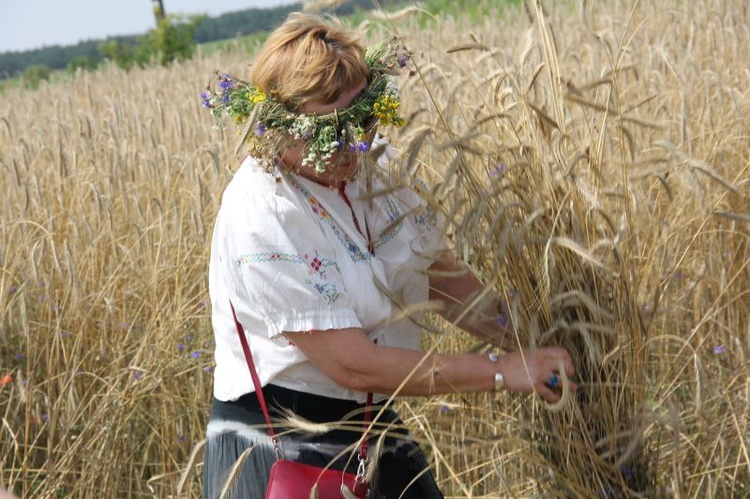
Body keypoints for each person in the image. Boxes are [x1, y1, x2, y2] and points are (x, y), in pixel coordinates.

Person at [201, 12, 576, 499]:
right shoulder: (262, 209)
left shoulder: (374, 165)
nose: (350, 141)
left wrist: (547, 338)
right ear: (275, 127)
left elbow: (442, 280)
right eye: (327, 129)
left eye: (362, 117)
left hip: (372, 432)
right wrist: (502, 370)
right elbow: (353, 365)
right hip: (279, 448)